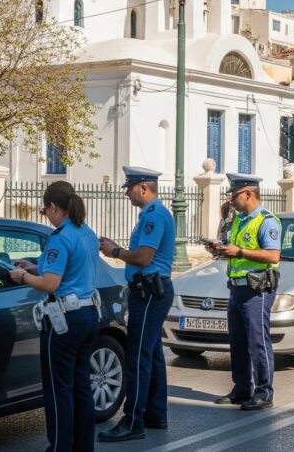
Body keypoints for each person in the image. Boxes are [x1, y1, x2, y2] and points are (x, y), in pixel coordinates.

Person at [9, 181, 100, 452]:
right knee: (81, 386)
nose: (46, 215)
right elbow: (71, 267)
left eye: (45, 210)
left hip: (65, 321)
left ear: (52, 206)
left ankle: (60, 446)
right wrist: (36, 265)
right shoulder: (85, 232)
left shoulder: (59, 237)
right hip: (87, 314)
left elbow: (51, 284)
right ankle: (84, 446)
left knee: (59, 389)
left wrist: (23, 275)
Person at [97, 166, 176, 442]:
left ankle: (133, 421)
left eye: (129, 188)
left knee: (138, 355)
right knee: (152, 353)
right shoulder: (152, 214)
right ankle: (155, 413)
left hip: (149, 292)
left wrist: (115, 251)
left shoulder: (154, 216)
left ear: (143, 188)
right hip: (150, 290)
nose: (127, 193)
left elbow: (143, 257)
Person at [206, 173, 281, 411]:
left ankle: (263, 392)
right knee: (237, 342)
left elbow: (272, 255)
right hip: (237, 288)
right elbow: (234, 248)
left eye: (235, 194)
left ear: (248, 194)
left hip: (257, 290)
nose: (231, 199)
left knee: (258, 342)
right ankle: (241, 389)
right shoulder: (239, 220)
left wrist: (239, 252)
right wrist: (220, 250)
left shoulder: (267, 221)